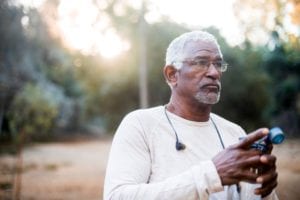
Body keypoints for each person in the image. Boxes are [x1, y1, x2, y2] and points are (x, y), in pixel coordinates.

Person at [103, 30, 278, 200]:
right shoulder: (141, 125)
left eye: (218, 64)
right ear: (172, 74)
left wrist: (262, 188)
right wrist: (211, 175)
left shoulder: (234, 132)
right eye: (201, 62)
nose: (214, 73)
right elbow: (117, 196)